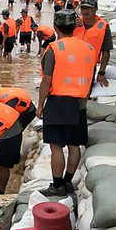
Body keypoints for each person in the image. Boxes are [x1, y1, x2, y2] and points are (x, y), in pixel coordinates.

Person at [37, 10, 96, 196]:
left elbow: (46, 80)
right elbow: (91, 76)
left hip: (58, 102)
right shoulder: (88, 48)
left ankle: (56, 185)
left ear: (55, 27)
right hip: (80, 102)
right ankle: (68, 181)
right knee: (74, 145)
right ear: (74, 27)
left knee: (56, 146)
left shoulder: (54, 49)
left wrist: (40, 105)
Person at [74, 0, 112, 88]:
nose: (85, 11)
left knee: (84, 94)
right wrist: (71, 27)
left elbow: (106, 52)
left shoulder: (103, 27)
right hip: (71, 65)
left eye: (89, 8)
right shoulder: (73, 23)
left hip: (89, 68)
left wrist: (101, 72)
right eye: (83, 8)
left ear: (96, 9)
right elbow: (61, 41)